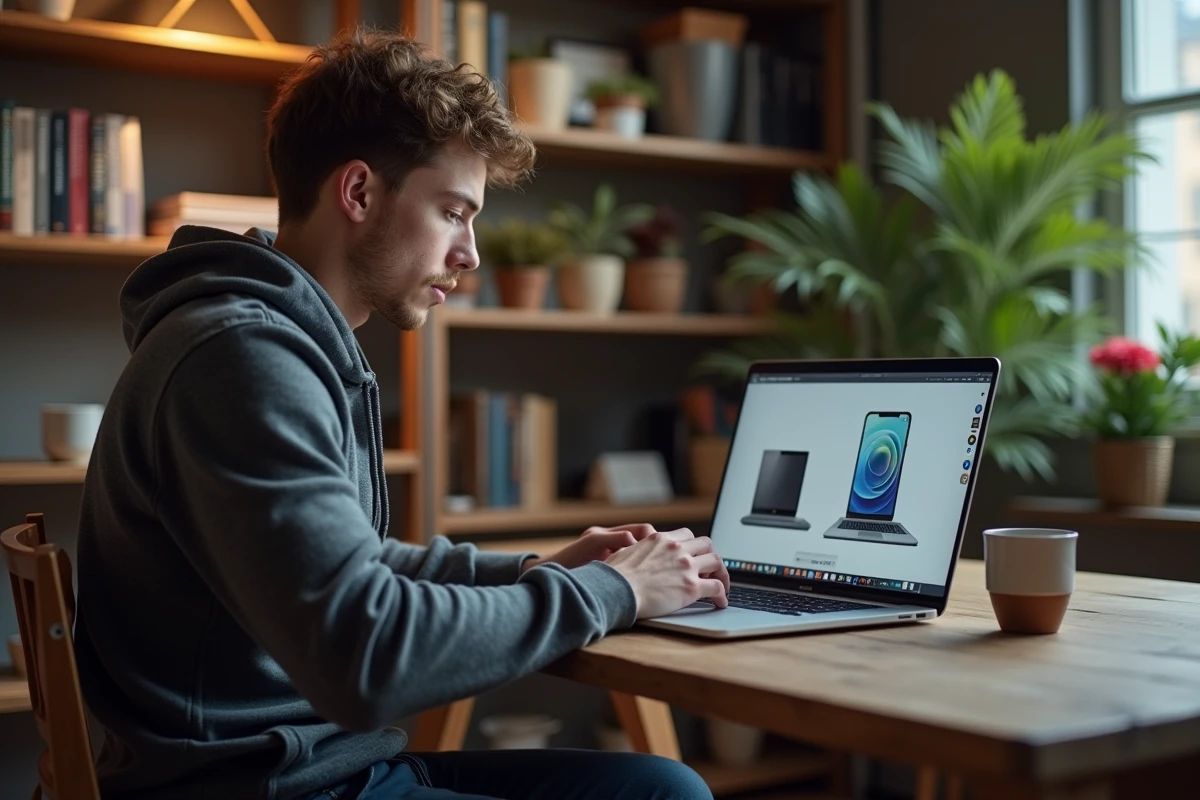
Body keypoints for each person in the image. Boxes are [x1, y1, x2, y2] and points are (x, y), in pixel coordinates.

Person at [73, 25, 730, 800]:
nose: (471, 253)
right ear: (358, 192)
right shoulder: (242, 358)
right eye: (454, 212)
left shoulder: (273, 340)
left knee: (658, 785)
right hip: (268, 786)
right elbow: (364, 656)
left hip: (310, 766)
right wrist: (614, 592)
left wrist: (537, 571)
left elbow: (355, 568)